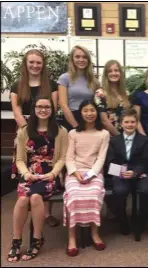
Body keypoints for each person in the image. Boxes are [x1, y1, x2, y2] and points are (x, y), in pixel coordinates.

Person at [7, 97, 68, 262]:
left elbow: (62, 158)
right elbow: (19, 159)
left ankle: (37, 239)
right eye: (39, 106)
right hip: (29, 174)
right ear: (34, 109)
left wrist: (53, 173)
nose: (43, 110)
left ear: (52, 110)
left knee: (34, 197)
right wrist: (26, 174)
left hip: (50, 175)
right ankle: (16, 240)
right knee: (21, 200)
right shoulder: (24, 131)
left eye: (47, 107)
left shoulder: (61, 131)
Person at [10, 49, 60, 228]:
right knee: (29, 168)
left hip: (47, 130)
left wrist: (42, 133)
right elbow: (16, 112)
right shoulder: (17, 86)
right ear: (26, 64)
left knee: (46, 167)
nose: (35, 65)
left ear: (43, 64)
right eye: (31, 62)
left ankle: (47, 213)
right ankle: (28, 205)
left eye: (38, 62)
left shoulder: (51, 85)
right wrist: (30, 132)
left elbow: (52, 108)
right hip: (25, 131)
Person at [63, 100, 109, 257]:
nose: (89, 113)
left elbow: (101, 159)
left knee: (94, 194)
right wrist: (76, 173)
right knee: (74, 196)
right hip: (75, 172)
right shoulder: (73, 133)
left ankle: (95, 233)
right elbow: (68, 158)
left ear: (96, 113)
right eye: (86, 110)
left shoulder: (103, 134)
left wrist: (90, 175)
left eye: (92, 110)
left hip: (94, 172)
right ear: (80, 113)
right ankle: (71, 237)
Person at [105, 108, 148, 236]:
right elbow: (110, 162)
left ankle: (141, 222)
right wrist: (122, 172)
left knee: (147, 190)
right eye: (126, 122)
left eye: (133, 122)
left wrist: (135, 172)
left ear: (137, 123)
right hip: (120, 173)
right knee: (119, 191)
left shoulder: (144, 140)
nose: (130, 125)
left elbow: (145, 161)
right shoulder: (114, 141)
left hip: (139, 173)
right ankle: (123, 221)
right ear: (121, 124)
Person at [58, 45, 100, 131]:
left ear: (88, 60)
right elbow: (63, 104)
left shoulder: (94, 81)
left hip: (89, 120)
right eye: (77, 57)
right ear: (72, 59)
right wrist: (76, 126)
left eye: (84, 57)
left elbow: (97, 104)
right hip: (71, 120)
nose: (81, 60)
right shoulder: (64, 78)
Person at [94, 60, 131, 136]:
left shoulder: (126, 93)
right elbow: (104, 120)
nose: (113, 73)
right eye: (110, 71)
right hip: (108, 136)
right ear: (106, 74)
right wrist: (119, 137)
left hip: (127, 134)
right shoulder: (100, 93)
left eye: (116, 70)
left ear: (120, 73)